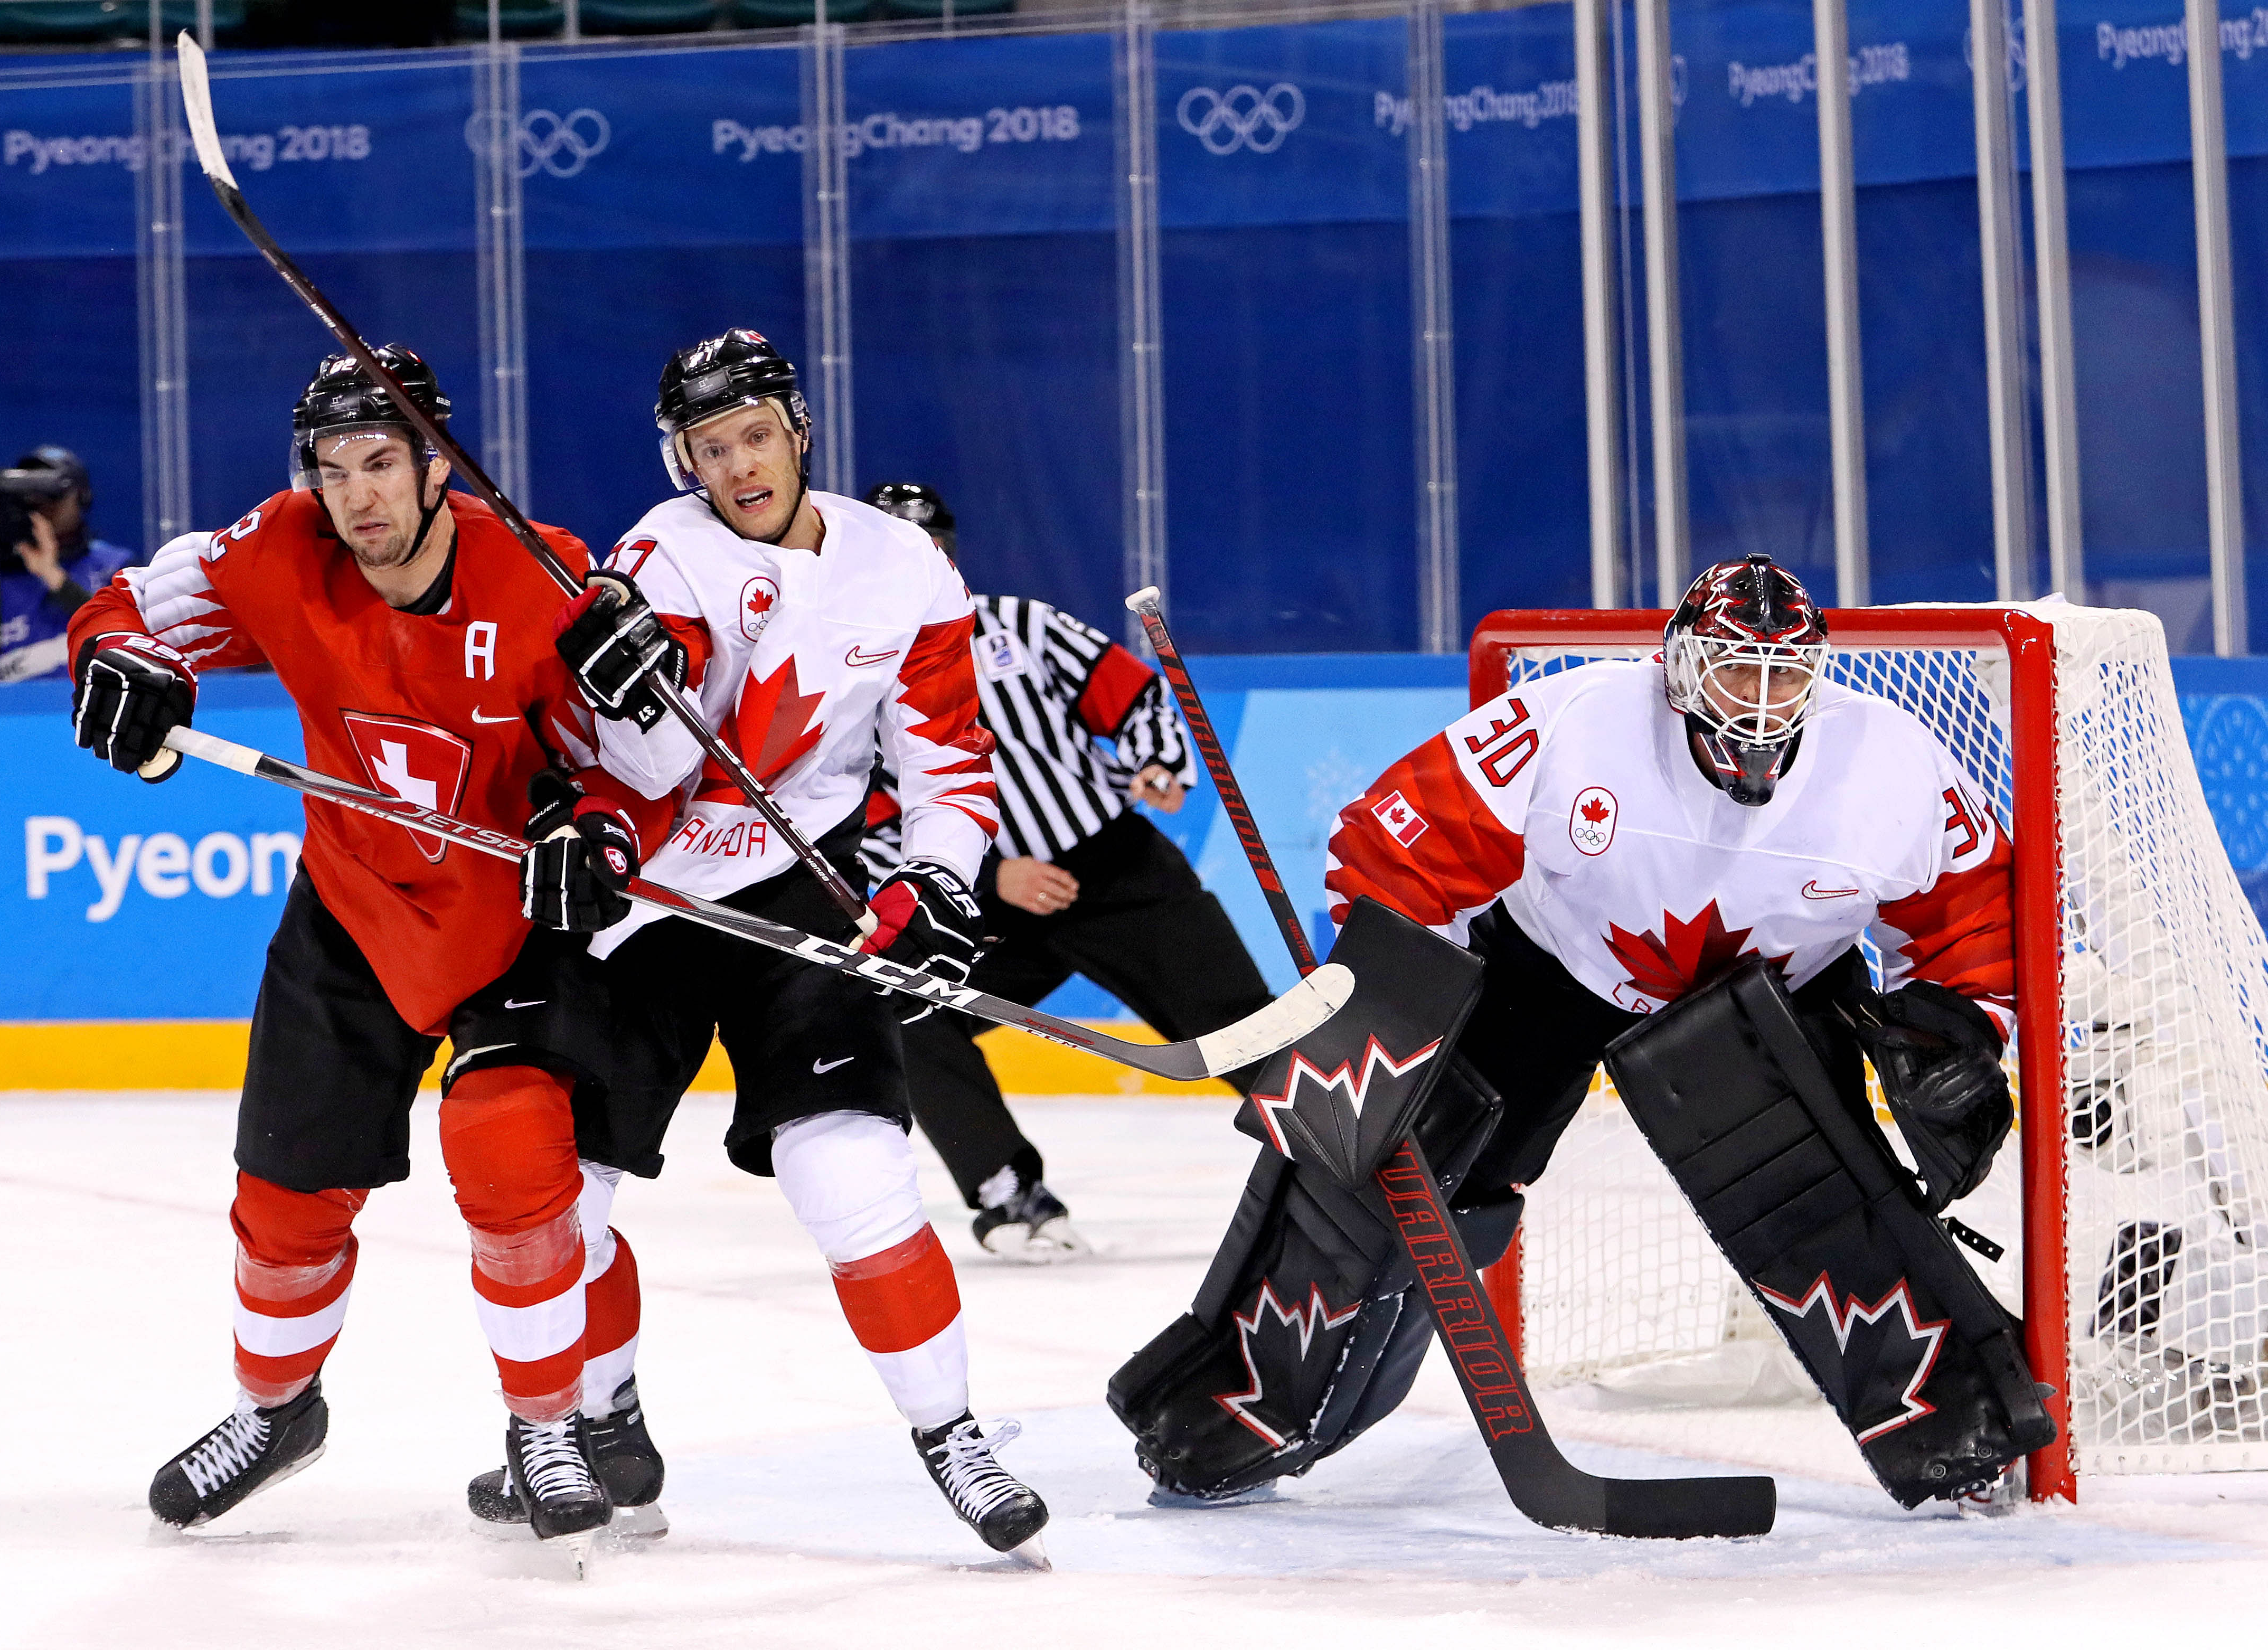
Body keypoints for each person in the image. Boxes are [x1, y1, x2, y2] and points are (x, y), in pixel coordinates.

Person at [1119, 552, 2024, 1505]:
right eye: (1733, 670)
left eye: (1783, 674)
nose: (1759, 702)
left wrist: (1959, 1033)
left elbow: (1971, 918)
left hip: (1777, 996)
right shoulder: (1576, 723)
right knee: (1382, 1177)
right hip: (1551, 971)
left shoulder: (1889, 761)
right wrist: (1388, 1004)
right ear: (1677, 668)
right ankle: (1239, 1413)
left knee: (1838, 1208)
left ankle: (1961, 1434)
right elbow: (1393, 846)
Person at [66, 345, 672, 1559]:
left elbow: (640, 760)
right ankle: (275, 1410)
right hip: (350, 906)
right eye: (333, 468)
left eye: (382, 460)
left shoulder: (546, 572)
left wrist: (591, 826)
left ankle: (546, 1422)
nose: (356, 495)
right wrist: (111, 661)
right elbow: (132, 605)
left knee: (509, 1155)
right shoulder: (275, 548)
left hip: (508, 919)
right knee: (283, 1195)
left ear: (439, 462)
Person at [491, 330, 1050, 1563]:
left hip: (798, 891)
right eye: (710, 446)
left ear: (796, 428)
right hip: (647, 903)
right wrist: (621, 693)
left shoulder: (901, 563)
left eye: (754, 434)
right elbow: (631, 765)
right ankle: (605, 1405)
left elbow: (945, 758)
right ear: (683, 461)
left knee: (851, 1172)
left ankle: (951, 1431)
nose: (738, 464)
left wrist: (934, 879)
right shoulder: (661, 555)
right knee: (566, 1197)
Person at [857, 480, 1276, 1263]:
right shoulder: (858, 683)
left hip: (1114, 873)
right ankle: (1005, 1188)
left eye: (932, 553)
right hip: (984, 905)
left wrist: (1156, 762)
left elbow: (1135, 698)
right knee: (906, 1010)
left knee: (1245, 1028)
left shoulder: (1022, 627)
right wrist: (988, 879)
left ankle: (1352, 1163)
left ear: (950, 557)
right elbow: (866, 830)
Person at [0, 446, 134, 681]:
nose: (41, 504)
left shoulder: (113, 566)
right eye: (29, 495)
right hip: (6, 710)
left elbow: (125, 639)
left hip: (91, 703)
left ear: (82, 496)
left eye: (52, 494)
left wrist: (51, 574)